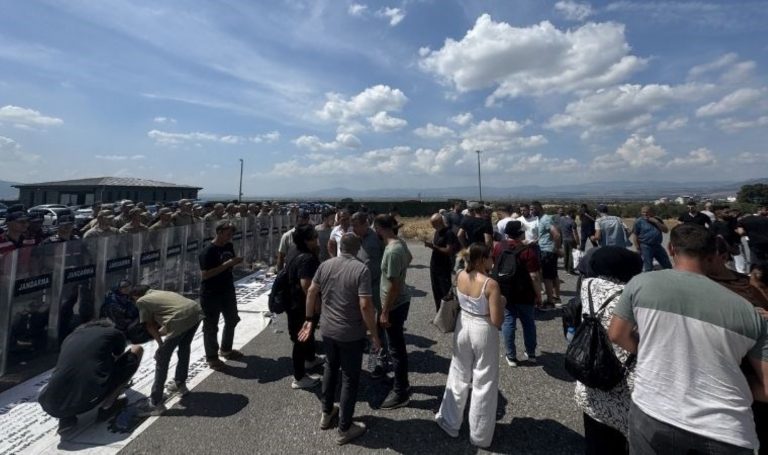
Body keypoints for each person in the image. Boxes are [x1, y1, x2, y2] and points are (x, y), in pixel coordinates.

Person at [609, 224, 768, 454]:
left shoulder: (641, 284)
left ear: (671, 248)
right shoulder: (748, 311)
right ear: (713, 254)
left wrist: (656, 356)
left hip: (652, 410)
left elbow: (616, 334)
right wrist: (734, 382)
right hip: (723, 428)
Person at [298, 233, 381, 445]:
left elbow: (311, 292)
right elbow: (365, 305)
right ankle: (345, 427)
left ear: (340, 246)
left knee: (330, 368)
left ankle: (326, 412)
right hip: (350, 333)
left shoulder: (325, 265)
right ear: (358, 247)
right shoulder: (361, 269)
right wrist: (373, 333)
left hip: (327, 329)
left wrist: (309, 319)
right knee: (350, 378)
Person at [574, 247, 643, 455]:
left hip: (592, 371)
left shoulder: (588, 286)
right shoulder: (629, 297)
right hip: (623, 382)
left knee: (596, 440)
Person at [435, 243, 504, 448]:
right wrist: (503, 302)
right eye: (490, 257)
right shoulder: (490, 284)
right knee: (484, 381)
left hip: (463, 325)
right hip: (483, 329)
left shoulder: (460, 276)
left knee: (458, 373)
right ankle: (480, 435)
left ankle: (449, 421)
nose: (493, 260)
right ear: (482, 259)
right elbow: (497, 320)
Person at [38, 320, 143, 434]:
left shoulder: (69, 338)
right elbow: (118, 356)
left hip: (50, 404)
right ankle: (108, 406)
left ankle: (66, 419)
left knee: (70, 374)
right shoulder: (113, 332)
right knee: (136, 350)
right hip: (90, 396)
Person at [131, 286, 203, 415]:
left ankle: (155, 402)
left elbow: (150, 325)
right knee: (184, 348)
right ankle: (180, 385)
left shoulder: (141, 301)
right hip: (195, 311)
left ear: (136, 296)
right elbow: (169, 314)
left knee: (162, 358)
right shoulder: (160, 292)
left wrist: (160, 345)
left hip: (180, 319)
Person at [375, 214, 413, 409]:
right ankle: (402, 383)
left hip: (394, 304)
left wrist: (385, 311)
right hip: (400, 301)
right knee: (396, 347)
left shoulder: (391, 251)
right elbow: (410, 258)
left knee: (396, 349)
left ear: (379, 228)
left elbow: (395, 285)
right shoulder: (400, 244)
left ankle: (400, 391)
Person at [199, 220, 243, 371]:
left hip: (227, 289)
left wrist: (234, 263)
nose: (230, 236)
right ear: (219, 232)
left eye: (232, 234)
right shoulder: (208, 251)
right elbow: (205, 275)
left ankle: (226, 349)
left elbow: (229, 263)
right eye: (228, 233)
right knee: (211, 326)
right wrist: (228, 264)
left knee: (232, 319)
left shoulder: (229, 246)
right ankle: (211, 357)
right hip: (211, 293)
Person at [494, 221, 541, 366]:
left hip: (506, 290)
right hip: (524, 292)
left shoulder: (499, 247)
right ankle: (531, 353)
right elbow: (534, 276)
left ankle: (511, 355)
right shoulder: (527, 251)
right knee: (528, 323)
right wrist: (538, 294)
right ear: (520, 233)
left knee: (508, 322)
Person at [284, 224, 324, 389]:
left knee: (306, 336)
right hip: (301, 306)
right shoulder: (307, 258)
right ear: (307, 240)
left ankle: (310, 359)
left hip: (293, 302)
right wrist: (316, 305)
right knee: (301, 339)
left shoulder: (294, 249)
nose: (317, 239)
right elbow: (307, 285)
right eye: (315, 237)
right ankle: (299, 377)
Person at [425, 213, 460, 311]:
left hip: (444, 266)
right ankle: (439, 313)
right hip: (435, 264)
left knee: (445, 291)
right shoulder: (437, 232)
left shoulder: (448, 233)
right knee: (436, 290)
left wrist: (433, 246)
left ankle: (448, 314)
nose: (432, 226)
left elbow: (448, 251)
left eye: (434, 223)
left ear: (439, 222)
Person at [100, 279, 152, 344]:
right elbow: (121, 317)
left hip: (127, 322)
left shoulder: (126, 296)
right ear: (119, 288)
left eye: (128, 286)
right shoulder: (113, 301)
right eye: (124, 287)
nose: (127, 289)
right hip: (121, 326)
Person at [534, 201, 562, 306]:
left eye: (533, 209)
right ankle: (556, 297)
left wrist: (556, 248)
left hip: (547, 251)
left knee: (547, 277)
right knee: (553, 275)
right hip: (547, 250)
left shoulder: (545, 219)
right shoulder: (541, 219)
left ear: (539, 208)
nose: (532, 211)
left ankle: (550, 301)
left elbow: (556, 234)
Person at [632, 206, 672, 272]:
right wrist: (638, 248)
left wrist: (656, 222)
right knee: (648, 267)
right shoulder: (638, 222)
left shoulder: (657, 219)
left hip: (657, 245)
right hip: (646, 246)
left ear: (652, 212)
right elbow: (635, 235)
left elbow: (666, 230)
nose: (645, 214)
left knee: (667, 264)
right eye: (643, 212)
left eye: (647, 212)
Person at [737, 204, 768, 270]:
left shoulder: (743, 220)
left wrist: (748, 233)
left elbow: (741, 232)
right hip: (766, 241)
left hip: (755, 243)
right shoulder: (765, 219)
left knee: (756, 260)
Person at [559, 209, 579, 274]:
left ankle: (565, 269)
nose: (575, 215)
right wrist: (578, 242)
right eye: (574, 214)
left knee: (566, 255)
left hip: (564, 239)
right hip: (571, 239)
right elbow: (575, 233)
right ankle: (570, 270)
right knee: (571, 255)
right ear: (571, 213)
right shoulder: (572, 222)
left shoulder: (562, 219)